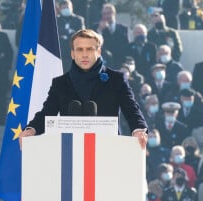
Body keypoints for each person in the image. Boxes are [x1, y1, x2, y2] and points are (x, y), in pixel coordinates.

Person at [19, 29, 148, 149]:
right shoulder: (60, 83)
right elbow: (47, 113)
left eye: (90, 49)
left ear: (99, 52)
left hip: (108, 150)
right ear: (72, 54)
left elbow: (131, 110)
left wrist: (139, 130)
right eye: (80, 50)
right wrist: (31, 129)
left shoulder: (116, 79)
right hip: (70, 153)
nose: (84, 54)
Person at [93, 3, 129, 69]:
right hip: (104, 62)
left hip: (119, 62)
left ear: (114, 13)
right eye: (104, 14)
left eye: (109, 13)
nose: (106, 16)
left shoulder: (123, 28)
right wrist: (100, 30)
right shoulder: (96, 27)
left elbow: (126, 47)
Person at [57, 0, 85, 72]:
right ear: (59, 9)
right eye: (64, 8)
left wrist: (66, 34)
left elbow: (80, 34)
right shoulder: (56, 20)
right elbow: (57, 34)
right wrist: (69, 32)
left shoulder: (78, 20)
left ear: (71, 7)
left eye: (67, 7)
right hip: (61, 53)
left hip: (74, 52)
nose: (66, 9)